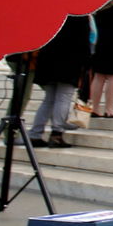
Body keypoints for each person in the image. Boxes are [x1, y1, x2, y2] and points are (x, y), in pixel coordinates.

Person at [30, 15, 93, 149]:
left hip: (48, 59)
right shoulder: (80, 16)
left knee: (49, 99)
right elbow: (83, 42)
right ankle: (57, 134)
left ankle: (35, 133)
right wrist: (86, 63)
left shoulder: (53, 13)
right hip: (69, 61)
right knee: (63, 97)